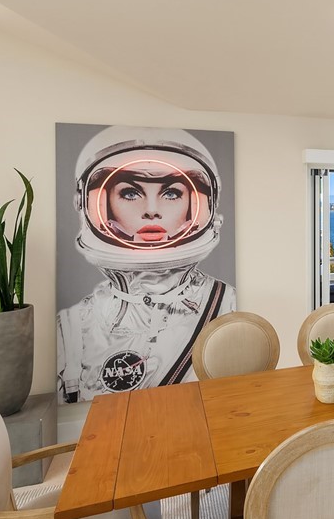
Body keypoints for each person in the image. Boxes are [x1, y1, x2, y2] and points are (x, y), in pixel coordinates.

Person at [56, 126, 236, 403]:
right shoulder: (72, 329)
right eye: (130, 193)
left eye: (172, 193)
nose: (152, 210)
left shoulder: (227, 306)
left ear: (197, 205)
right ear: (96, 204)